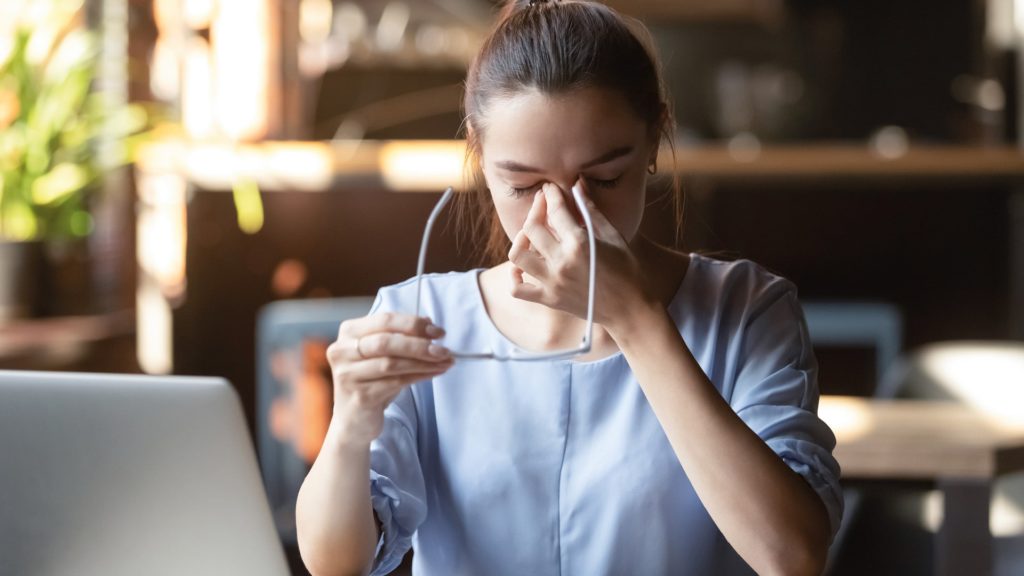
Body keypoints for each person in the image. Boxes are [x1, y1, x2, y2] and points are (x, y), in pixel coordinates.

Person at [296, 1, 843, 575]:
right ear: (481, 156)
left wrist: (637, 322)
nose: (564, 218)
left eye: (604, 179)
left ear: (655, 140)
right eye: (523, 185)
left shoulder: (747, 310)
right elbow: (335, 565)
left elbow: (793, 556)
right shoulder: (424, 317)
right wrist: (349, 428)